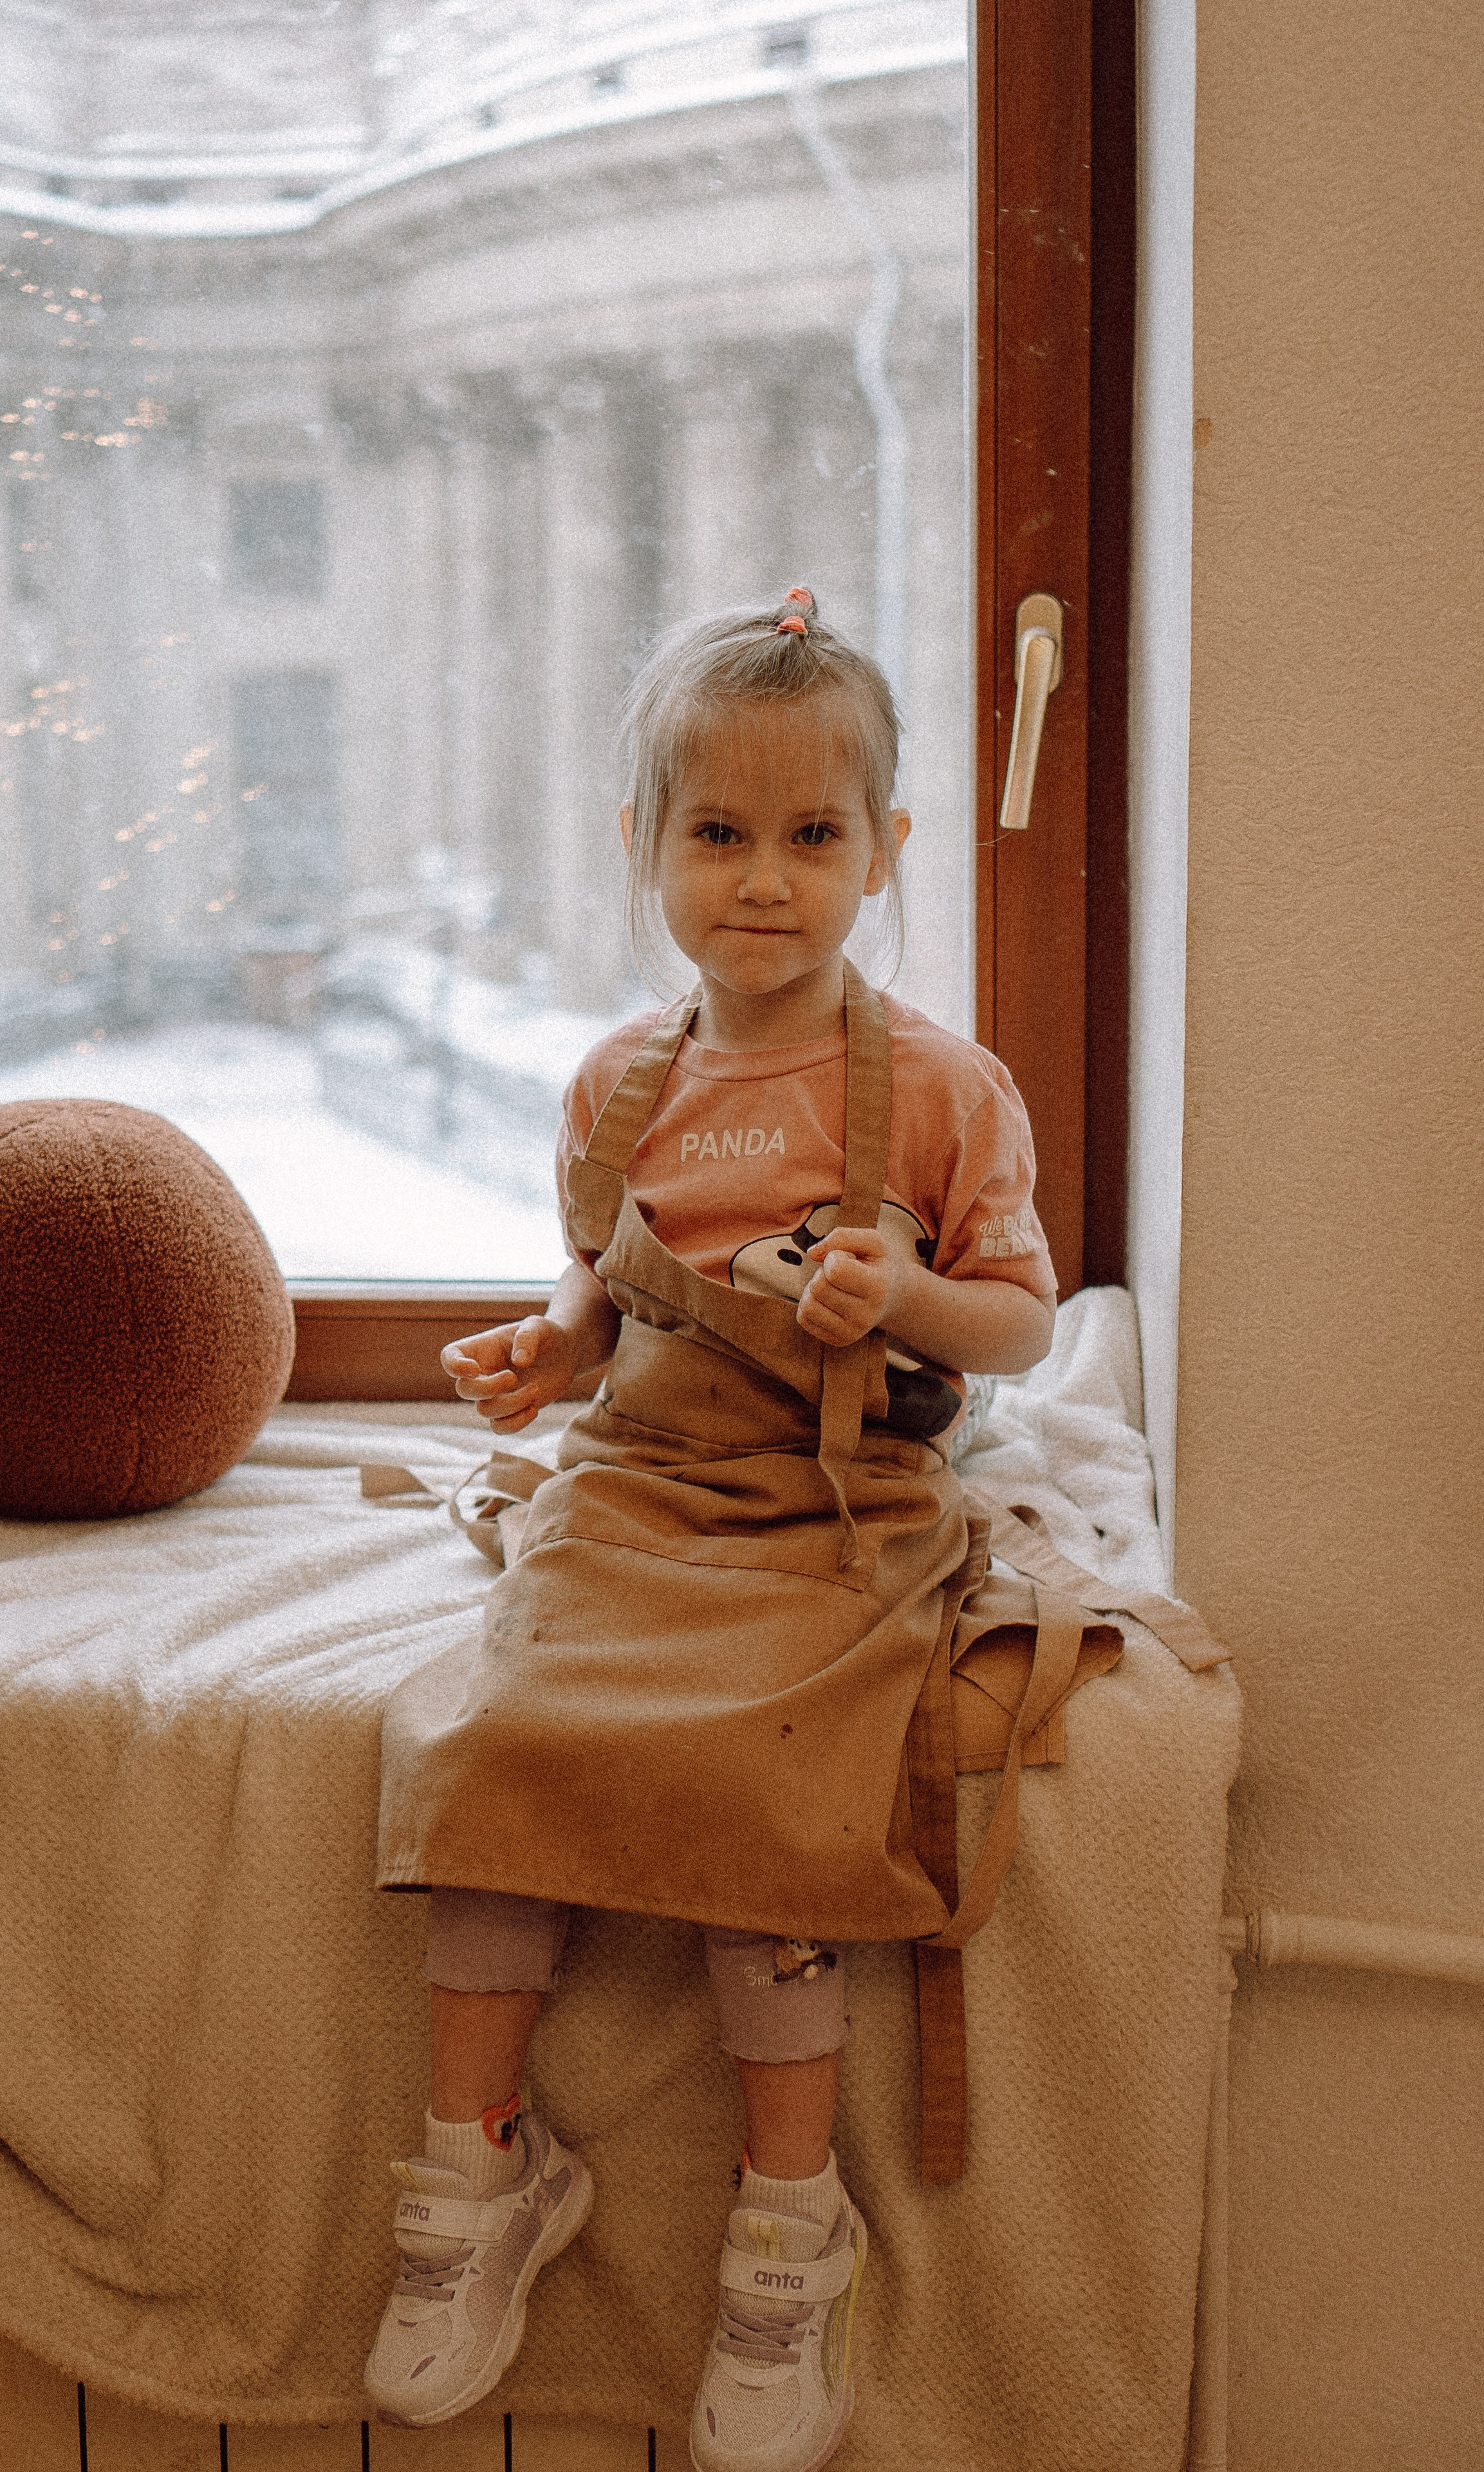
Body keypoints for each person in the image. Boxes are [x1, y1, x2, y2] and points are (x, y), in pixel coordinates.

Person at [366, 588, 1057, 2471]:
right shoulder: (619, 1085)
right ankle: (472, 2179)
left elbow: (1020, 1320)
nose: (766, 881)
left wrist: (899, 1300)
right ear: (643, 850)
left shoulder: (938, 1089)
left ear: (887, 852)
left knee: (781, 1802)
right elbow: (614, 1297)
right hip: (643, 1499)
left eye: (815, 836)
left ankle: (787, 2228)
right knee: (491, 1760)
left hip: (839, 1511)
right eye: (720, 833)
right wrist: (550, 1349)